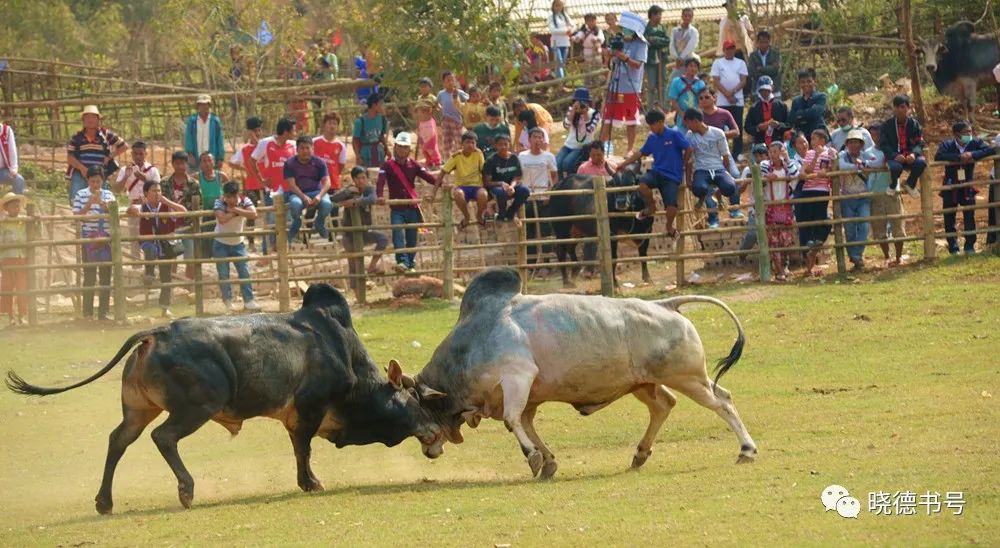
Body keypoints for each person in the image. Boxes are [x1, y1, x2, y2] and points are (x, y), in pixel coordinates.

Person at [618, 110, 690, 237]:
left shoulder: (674, 134)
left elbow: (689, 148)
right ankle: (651, 207)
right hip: (656, 172)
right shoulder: (652, 138)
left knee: (672, 207)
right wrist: (624, 164)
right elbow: (640, 153)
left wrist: (683, 162)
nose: (651, 128)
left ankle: (669, 227)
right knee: (642, 185)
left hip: (672, 176)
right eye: (649, 125)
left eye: (652, 125)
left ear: (661, 122)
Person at [376, 132, 437, 273]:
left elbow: (427, 176)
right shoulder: (387, 165)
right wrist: (379, 196)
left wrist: (441, 183)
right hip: (397, 208)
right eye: (399, 146)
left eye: (405, 147)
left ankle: (411, 263)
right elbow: (380, 182)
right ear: (395, 147)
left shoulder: (414, 165)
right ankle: (402, 261)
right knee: (397, 232)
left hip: (412, 207)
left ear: (409, 149)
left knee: (412, 236)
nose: (402, 149)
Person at [933, 120, 997, 255]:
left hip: (967, 184)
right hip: (950, 184)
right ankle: (953, 248)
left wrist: (972, 155)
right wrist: (958, 157)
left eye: (970, 131)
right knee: (949, 217)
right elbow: (938, 156)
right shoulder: (947, 144)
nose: (969, 134)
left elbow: (989, 150)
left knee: (969, 215)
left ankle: (969, 246)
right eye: (965, 132)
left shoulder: (974, 143)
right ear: (956, 134)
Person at [128, 180, 187, 318]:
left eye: (159, 191)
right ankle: (149, 273)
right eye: (154, 191)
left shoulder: (166, 207)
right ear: (146, 193)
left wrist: (167, 201)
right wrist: (136, 209)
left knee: (166, 276)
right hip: (148, 242)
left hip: (165, 245)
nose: (157, 193)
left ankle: (165, 307)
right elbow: (130, 209)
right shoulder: (143, 207)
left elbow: (183, 211)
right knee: (150, 250)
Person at [333, 166, 389, 297]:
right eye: (358, 178)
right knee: (354, 265)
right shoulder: (350, 190)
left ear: (367, 179)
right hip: (350, 234)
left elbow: (372, 199)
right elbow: (333, 198)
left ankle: (372, 266)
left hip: (364, 231)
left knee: (383, 239)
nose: (361, 181)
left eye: (363, 177)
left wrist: (355, 202)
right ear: (353, 179)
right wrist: (347, 192)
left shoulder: (369, 189)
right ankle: (359, 296)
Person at [683, 108, 743, 229]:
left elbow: (725, 156)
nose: (688, 127)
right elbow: (688, 161)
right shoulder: (690, 135)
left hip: (718, 168)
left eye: (688, 123)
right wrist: (688, 178)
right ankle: (712, 217)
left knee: (730, 187)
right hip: (701, 169)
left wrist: (728, 174)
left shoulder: (718, 133)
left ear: (695, 121)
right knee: (699, 188)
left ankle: (719, 194)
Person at [600, 11, 649, 156]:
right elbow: (609, 55)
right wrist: (609, 55)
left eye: (628, 29)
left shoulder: (641, 45)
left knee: (630, 119)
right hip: (615, 84)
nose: (624, 31)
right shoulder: (619, 39)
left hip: (630, 87)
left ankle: (629, 150)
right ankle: (600, 147)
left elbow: (637, 65)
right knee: (608, 117)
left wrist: (625, 58)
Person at [248, 118, 297, 254]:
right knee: (270, 222)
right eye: (293, 130)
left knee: (288, 220)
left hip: (290, 190)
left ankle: (283, 250)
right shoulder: (266, 143)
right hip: (272, 191)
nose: (295, 133)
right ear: (286, 132)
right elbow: (252, 161)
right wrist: (261, 180)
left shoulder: (294, 145)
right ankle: (267, 251)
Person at [72, 165, 115, 321]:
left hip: (105, 238)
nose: (96, 185)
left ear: (102, 180)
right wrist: (89, 204)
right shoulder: (80, 194)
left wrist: (105, 206)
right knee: (89, 276)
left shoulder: (109, 195)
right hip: (88, 238)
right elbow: (76, 216)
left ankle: (103, 312)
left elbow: (114, 215)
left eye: (98, 181)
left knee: (105, 276)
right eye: (93, 181)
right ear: (87, 180)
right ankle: (87, 313)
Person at [213, 181, 261, 311]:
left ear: (237, 195)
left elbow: (254, 214)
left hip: (238, 243)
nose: (229, 200)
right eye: (227, 197)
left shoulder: (245, 200)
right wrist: (240, 212)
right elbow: (222, 219)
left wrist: (234, 210)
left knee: (244, 272)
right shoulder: (218, 201)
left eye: (232, 197)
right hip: (221, 243)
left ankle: (249, 301)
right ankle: (228, 301)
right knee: (223, 274)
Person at [66, 105, 127, 204]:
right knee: (77, 201)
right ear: (83, 120)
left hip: (99, 174)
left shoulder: (105, 134)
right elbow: (70, 157)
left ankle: (98, 219)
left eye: (93, 117)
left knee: (101, 202)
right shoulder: (77, 137)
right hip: (81, 174)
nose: (90, 120)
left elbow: (124, 146)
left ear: (98, 120)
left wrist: (110, 156)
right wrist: (82, 168)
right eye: (87, 117)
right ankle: (79, 218)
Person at [864, 124, 906, 266]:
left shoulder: (893, 150)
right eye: (873, 135)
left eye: (878, 134)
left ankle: (898, 257)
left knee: (898, 227)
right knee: (879, 229)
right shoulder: (868, 152)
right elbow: (865, 167)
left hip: (893, 192)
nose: (876, 138)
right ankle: (887, 256)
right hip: (875, 193)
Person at [797, 128, 837, 276]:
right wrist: (816, 157)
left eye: (814, 139)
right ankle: (810, 244)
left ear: (822, 140)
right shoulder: (810, 154)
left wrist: (824, 169)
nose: (812, 142)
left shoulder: (830, 152)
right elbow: (806, 171)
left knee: (820, 218)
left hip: (822, 190)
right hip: (808, 190)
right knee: (807, 219)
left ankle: (818, 240)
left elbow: (829, 169)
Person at [759, 142, 801, 280]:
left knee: (786, 240)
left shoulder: (789, 166)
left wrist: (787, 158)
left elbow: (795, 177)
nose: (773, 154)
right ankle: (779, 271)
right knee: (774, 241)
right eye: (770, 151)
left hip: (786, 208)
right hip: (771, 208)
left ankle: (784, 266)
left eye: (776, 151)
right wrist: (766, 178)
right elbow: (760, 180)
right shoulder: (765, 166)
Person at [113, 141, 161, 259]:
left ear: (146, 154)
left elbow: (159, 190)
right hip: (134, 206)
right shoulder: (125, 170)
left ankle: (151, 264)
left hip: (151, 206)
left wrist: (144, 178)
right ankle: (136, 267)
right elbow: (117, 190)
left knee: (152, 236)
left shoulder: (152, 170)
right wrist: (126, 176)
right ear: (132, 155)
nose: (138, 156)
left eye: (141, 154)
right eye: (135, 154)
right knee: (134, 238)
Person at [518, 128, 558, 268]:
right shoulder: (522, 156)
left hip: (543, 197)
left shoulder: (549, 157)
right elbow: (517, 176)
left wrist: (549, 193)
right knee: (528, 230)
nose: (538, 140)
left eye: (541, 137)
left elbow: (554, 176)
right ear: (529, 140)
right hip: (527, 197)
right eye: (535, 137)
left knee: (545, 228)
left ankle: (546, 263)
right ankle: (530, 263)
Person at [284, 136, 333, 243]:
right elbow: (292, 185)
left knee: (327, 204)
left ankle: (319, 222)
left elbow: (328, 182)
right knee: (295, 205)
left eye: (308, 148)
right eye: (302, 148)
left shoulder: (320, 162)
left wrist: (320, 196)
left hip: (316, 192)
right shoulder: (289, 164)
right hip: (297, 194)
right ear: (297, 149)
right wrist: (303, 196)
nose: (305, 151)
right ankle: (296, 223)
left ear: (312, 148)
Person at [837, 130, 872, 270]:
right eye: (851, 142)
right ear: (847, 144)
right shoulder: (842, 156)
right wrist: (856, 166)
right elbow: (841, 165)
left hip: (863, 196)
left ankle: (856, 255)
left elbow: (872, 164)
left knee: (864, 225)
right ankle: (855, 256)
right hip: (847, 197)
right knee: (850, 229)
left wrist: (863, 164)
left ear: (861, 144)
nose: (853, 145)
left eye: (856, 142)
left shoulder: (866, 156)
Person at [879, 94, 926, 197]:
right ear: (893, 108)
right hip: (894, 157)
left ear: (908, 108)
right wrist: (894, 155)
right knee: (895, 168)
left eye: (902, 107)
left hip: (910, 156)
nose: (900, 110)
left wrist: (913, 154)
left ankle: (910, 184)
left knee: (921, 163)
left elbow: (920, 142)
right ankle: (893, 185)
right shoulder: (887, 125)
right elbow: (884, 144)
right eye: (897, 107)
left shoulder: (914, 124)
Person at [439, 132, 487, 229]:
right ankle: (466, 216)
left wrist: (487, 186)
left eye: (473, 143)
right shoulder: (456, 156)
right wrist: (434, 190)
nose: (470, 145)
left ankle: (479, 215)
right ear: (462, 144)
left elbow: (484, 170)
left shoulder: (478, 153)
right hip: (462, 186)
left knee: (483, 194)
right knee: (458, 194)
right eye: (468, 142)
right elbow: (443, 172)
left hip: (476, 186)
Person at [710, 39, 749, 159]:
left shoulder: (740, 63)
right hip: (722, 101)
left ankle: (737, 152)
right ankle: (721, 152)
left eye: (731, 48)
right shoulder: (718, 63)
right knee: (720, 127)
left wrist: (732, 92)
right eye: (727, 48)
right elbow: (716, 80)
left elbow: (743, 80)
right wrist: (727, 94)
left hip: (737, 100)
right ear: (723, 50)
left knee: (737, 126)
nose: (729, 51)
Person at [483, 134, 530, 226]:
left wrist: (512, 186)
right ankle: (501, 214)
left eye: (505, 144)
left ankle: (511, 213)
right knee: (501, 192)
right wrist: (501, 183)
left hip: (512, 185)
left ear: (509, 145)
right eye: (500, 144)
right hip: (496, 186)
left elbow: (517, 177)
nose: (503, 147)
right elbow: (487, 182)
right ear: (495, 145)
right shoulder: (490, 160)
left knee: (525, 191)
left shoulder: (514, 158)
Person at [556, 88, 600, 178]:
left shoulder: (594, 113)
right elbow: (566, 126)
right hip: (568, 145)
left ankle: (572, 182)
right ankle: (560, 184)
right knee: (557, 163)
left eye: (583, 103)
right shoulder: (571, 110)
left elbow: (590, 130)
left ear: (588, 102)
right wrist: (573, 111)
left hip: (581, 146)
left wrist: (585, 114)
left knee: (567, 164)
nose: (581, 105)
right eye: (578, 102)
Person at [0, 192, 28, 325]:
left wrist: (36, 219)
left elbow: (34, 232)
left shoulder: (24, 220)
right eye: (13, 206)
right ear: (6, 208)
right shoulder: (2, 223)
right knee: (8, 287)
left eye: (17, 206)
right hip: (8, 257)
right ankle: (10, 316)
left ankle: (22, 315)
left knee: (22, 287)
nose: (16, 209)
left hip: (21, 257)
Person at [195, 152, 229, 261]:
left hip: (219, 213)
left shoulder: (221, 176)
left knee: (220, 236)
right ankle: (206, 257)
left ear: (213, 162)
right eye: (204, 161)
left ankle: (220, 256)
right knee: (205, 236)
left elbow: (230, 193)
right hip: (204, 213)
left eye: (209, 160)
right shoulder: (196, 177)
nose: (207, 163)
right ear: (200, 164)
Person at [184, 95, 225, 171]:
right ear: (198, 106)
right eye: (201, 104)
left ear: (209, 106)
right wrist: (190, 154)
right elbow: (188, 138)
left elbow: (220, 140)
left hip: (211, 158)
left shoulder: (215, 121)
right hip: (196, 157)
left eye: (206, 104)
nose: (204, 107)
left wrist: (220, 158)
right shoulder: (192, 121)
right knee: (195, 179)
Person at [744, 76, 789, 146]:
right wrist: (758, 128)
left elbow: (789, 123)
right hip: (760, 144)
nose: (765, 92)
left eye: (767, 89)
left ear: (772, 88)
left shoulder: (781, 106)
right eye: (762, 90)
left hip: (778, 144)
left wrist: (778, 125)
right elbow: (747, 127)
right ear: (758, 90)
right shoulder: (754, 108)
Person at [667, 57, 706, 129]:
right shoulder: (676, 81)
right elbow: (673, 101)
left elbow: (702, 101)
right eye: (691, 66)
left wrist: (697, 116)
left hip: (696, 116)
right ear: (686, 67)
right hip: (681, 114)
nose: (693, 68)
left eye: (695, 66)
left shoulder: (700, 83)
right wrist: (683, 116)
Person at [644, 5, 671, 109]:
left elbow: (667, 41)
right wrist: (655, 41)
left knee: (662, 84)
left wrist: (655, 40)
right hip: (650, 60)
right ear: (651, 15)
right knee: (651, 85)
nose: (659, 16)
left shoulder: (662, 28)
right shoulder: (646, 28)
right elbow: (646, 41)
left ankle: (662, 106)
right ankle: (650, 108)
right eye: (657, 14)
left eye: (660, 14)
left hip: (662, 59)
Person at [312, 113, 347, 192]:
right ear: (324, 125)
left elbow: (341, 165)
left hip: (333, 184)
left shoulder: (341, 146)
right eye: (330, 123)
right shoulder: (314, 142)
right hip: (316, 184)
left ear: (337, 127)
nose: (332, 126)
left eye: (335, 124)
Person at [438, 71, 470, 157]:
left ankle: (461, 159)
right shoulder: (441, 94)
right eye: (448, 80)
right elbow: (438, 103)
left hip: (457, 121)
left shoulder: (459, 93)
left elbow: (469, 100)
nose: (451, 82)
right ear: (443, 82)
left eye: (452, 80)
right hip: (445, 121)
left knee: (459, 141)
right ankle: (448, 162)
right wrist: (440, 109)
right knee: (446, 142)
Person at [352, 93, 389, 168]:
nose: (383, 106)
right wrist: (358, 156)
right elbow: (355, 140)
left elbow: (381, 136)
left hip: (378, 152)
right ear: (374, 105)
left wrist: (386, 149)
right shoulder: (360, 121)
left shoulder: (382, 119)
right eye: (381, 104)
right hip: (365, 152)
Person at [789, 68, 828, 136]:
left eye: (809, 81)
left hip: (819, 136)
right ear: (799, 83)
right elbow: (792, 119)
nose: (806, 84)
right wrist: (809, 113)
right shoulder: (796, 101)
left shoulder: (821, 97)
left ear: (814, 81)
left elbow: (816, 113)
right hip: (802, 138)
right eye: (803, 82)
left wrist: (799, 114)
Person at [746, 30, 781, 100]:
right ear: (757, 43)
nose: (764, 45)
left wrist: (761, 69)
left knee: (776, 110)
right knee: (759, 110)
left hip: (774, 90)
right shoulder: (753, 56)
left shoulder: (775, 54)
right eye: (761, 42)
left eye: (766, 42)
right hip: (758, 90)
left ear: (769, 42)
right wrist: (769, 70)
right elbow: (752, 72)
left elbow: (775, 70)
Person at [668, 7, 700, 82]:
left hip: (689, 61)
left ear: (692, 17)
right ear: (682, 16)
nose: (687, 18)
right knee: (674, 80)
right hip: (678, 62)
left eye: (689, 16)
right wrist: (677, 58)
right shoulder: (675, 30)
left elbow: (691, 46)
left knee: (691, 82)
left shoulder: (693, 31)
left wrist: (681, 58)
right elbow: (671, 45)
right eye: (685, 15)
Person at [548, 0, 574, 79]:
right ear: (553, 6)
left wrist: (571, 31)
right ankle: (561, 82)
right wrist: (565, 31)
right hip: (556, 43)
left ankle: (559, 82)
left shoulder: (565, 16)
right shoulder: (550, 17)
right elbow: (552, 30)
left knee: (562, 64)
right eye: (557, 5)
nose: (559, 7)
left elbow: (573, 26)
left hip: (565, 43)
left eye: (560, 5)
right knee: (559, 62)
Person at [414, 99, 443, 168]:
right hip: (425, 140)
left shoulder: (430, 122)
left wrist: (428, 143)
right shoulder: (421, 123)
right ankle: (429, 161)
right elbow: (421, 132)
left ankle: (437, 161)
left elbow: (433, 135)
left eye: (420, 113)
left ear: (427, 113)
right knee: (426, 152)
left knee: (433, 152)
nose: (418, 115)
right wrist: (421, 139)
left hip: (431, 141)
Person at [0, 122, 26, 194]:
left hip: (2, 171)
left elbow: (12, 151)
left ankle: (15, 203)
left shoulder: (6, 131)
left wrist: (13, 169)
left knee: (19, 180)